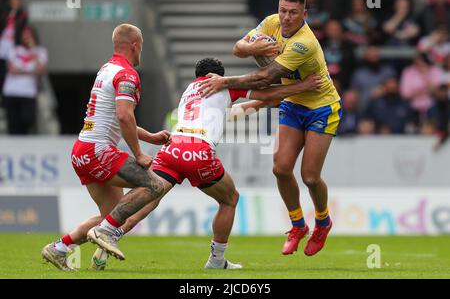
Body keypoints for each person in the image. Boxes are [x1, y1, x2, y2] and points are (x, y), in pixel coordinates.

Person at [85, 57, 323, 269]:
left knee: (148, 198)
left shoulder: (189, 91)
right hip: (198, 151)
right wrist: (302, 86)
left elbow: (230, 111)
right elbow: (267, 94)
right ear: (218, 76)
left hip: (171, 148)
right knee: (230, 199)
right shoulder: (223, 86)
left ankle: (109, 235)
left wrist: (259, 104)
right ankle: (216, 260)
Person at [194, 0, 341, 257]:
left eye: (293, 13)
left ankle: (323, 221)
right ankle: (298, 225)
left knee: (309, 176)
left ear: (304, 14)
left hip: (321, 108)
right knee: (280, 168)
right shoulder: (271, 22)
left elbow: (265, 78)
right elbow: (238, 48)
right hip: (293, 103)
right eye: (283, 10)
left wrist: (224, 82)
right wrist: (253, 47)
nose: (286, 17)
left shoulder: (304, 43)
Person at [41, 23, 171, 271]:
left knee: (112, 215)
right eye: (141, 46)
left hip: (82, 149)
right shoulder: (127, 75)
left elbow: (114, 117)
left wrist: (151, 137)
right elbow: (124, 117)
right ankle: (105, 233)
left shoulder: (106, 69)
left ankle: (60, 248)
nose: (141, 50)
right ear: (135, 45)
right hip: (98, 151)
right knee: (155, 185)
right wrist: (140, 154)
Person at [2, 26, 47, 134]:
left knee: (27, 120)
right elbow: (11, 69)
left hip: (29, 92)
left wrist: (33, 50)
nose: (26, 37)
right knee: (13, 123)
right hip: (11, 92)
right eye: (24, 34)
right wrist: (30, 72)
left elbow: (40, 69)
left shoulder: (40, 51)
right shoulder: (14, 50)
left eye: (29, 34)